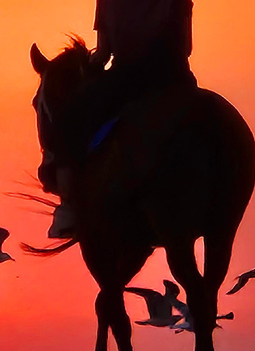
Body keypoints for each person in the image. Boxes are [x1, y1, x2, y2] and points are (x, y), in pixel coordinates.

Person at [46, 0, 196, 239]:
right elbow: (186, 47)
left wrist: (89, 68)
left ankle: (69, 208)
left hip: (128, 76)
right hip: (176, 75)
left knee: (69, 121)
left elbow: (103, 53)